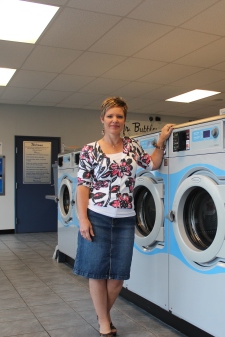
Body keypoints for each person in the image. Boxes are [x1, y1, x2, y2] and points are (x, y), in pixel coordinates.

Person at [74, 96, 174, 337]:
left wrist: (160, 142)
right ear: (102, 119)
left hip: (125, 218)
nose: (115, 120)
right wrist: (83, 219)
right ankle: (105, 325)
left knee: (117, 277)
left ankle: (102, 317)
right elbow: (82, 186)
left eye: (119, 116)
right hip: (97, 215)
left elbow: (152, 164)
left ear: (124, 120)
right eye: (110, 116)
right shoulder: (90, 150)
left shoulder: (132, 147)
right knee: (97, 273)